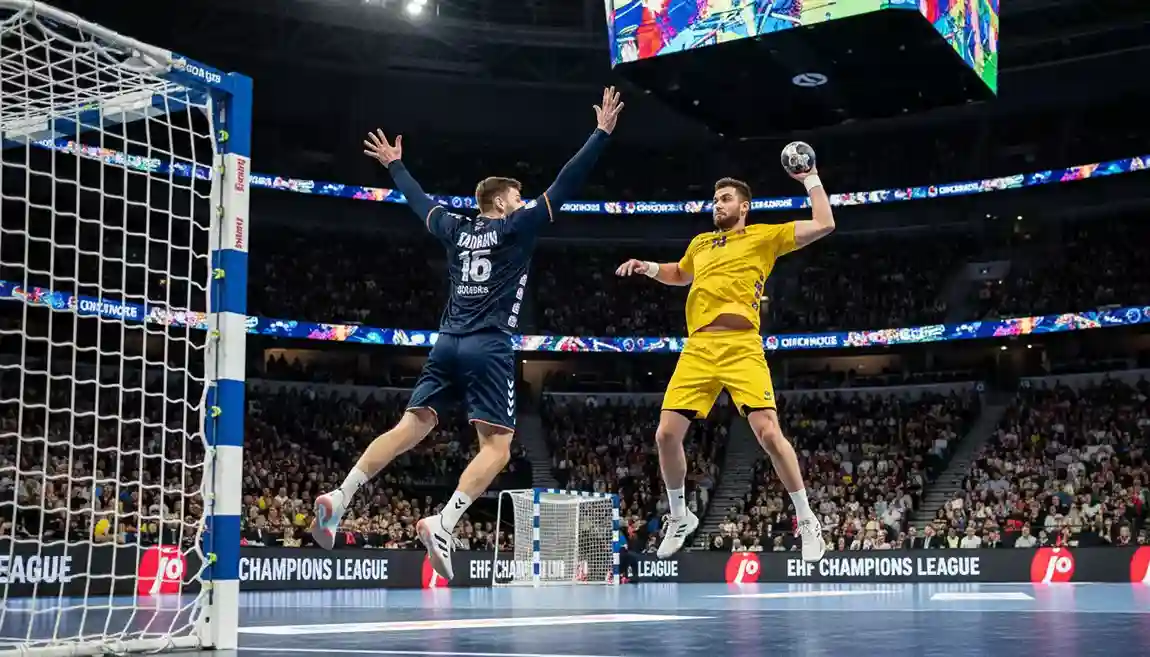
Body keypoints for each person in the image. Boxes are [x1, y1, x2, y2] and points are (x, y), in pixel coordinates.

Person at [311, 87, 625, 581]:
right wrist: (600, 135)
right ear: (502, 201)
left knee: (410, 428)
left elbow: (418, 203)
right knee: (497, 447)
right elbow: (567, 183)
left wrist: (395, 166)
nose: (524, 200)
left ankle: (341, 494)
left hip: (446, 342)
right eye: (518, 195)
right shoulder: (515, 227)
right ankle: (444, 521)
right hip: (489, 343)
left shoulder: (456, 229)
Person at [614, 165, 834, 562]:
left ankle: (806, 519)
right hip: (698, 349)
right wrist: (647, 267)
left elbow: (824, 222)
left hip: (741, 346)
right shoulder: (701, 243)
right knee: (665, 435)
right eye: (715, 200)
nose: (717, 204)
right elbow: (680, 274)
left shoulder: (765, 237)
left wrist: (811, 179)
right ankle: (680, 516)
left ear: (744, 206)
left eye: (725, 199)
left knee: (768, 433)